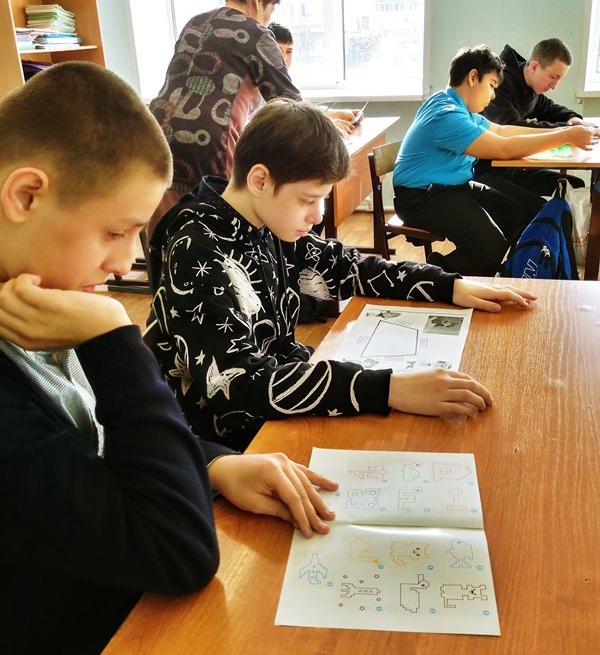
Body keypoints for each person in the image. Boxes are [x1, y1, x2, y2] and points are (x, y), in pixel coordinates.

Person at [0, 62, 339, 654]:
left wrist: (212, 465)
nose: (123, 264)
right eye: (114, 232)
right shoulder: (72, 317)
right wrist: (113, 338)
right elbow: (178, 550)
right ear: (26, 195)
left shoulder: (38, 297)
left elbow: (92, 446)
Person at [148, 97, 538, 455]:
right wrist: (388, 389)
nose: (318, 215)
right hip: (232, 446)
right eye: (308, 199)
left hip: (279, 407)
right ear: (260, 181)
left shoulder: (264, 218)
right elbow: (239, 384)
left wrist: (448, 285)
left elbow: (346, 266)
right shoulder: (197, 249)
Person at [149, 0, 361, 235]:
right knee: (218, 225)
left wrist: (325, 114)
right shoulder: (257, 34)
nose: (267, 20)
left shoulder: (195, 23)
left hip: (158, 131)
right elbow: (289, 105)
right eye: (269, 11)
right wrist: (326, 123)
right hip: (210, 138)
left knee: (168, 221)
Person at [392, 45, 596, 277]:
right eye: (491, 85)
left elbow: (501, 131)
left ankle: (503, 273)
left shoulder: (458, 107)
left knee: (515, 213)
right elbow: (504, 149)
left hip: (450, 187)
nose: (492, 95)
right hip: (420, 197)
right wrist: (565, 136)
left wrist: (563, 132)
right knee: (489, 246)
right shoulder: (446, 114)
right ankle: (435, 275)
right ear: (473, 77)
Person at [475, 38, 594, 196]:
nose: (554, 86)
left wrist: (571, 118)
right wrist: (567, 131)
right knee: (538, 206)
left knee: (574, 185)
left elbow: (548, 108)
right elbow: (512, 127)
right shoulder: (501, 83)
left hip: (511, 165)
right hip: (488, 169)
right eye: (553, 77)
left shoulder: (530, 87)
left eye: (559, 79)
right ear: (535, 66)